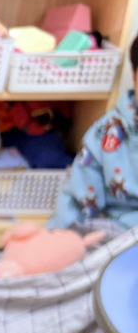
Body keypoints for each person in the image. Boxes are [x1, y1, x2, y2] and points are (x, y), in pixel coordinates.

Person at [51, 35, 138, 230]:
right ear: (134, 76)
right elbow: (77, 199)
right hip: (116, 233)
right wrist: (64, 237)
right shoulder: (107, 132)